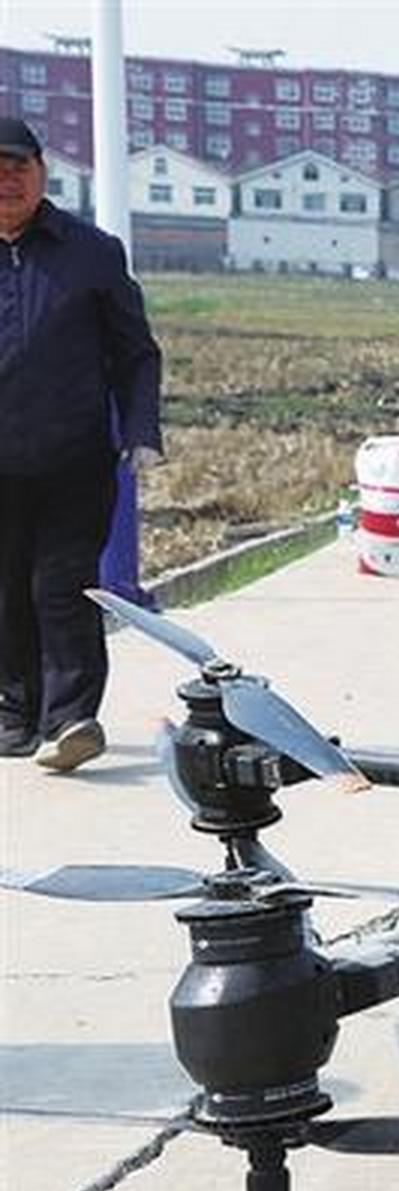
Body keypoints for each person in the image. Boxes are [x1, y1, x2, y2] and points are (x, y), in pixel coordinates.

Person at [0, 116, 162, 773]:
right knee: (6, 590)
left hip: (74, 458)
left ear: (42, 172)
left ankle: (71, 719)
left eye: (18, 166)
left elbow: (135, 353)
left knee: (61, 587)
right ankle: (14, 716)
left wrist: (141, 431)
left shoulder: (91, 253)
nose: (6, 180)